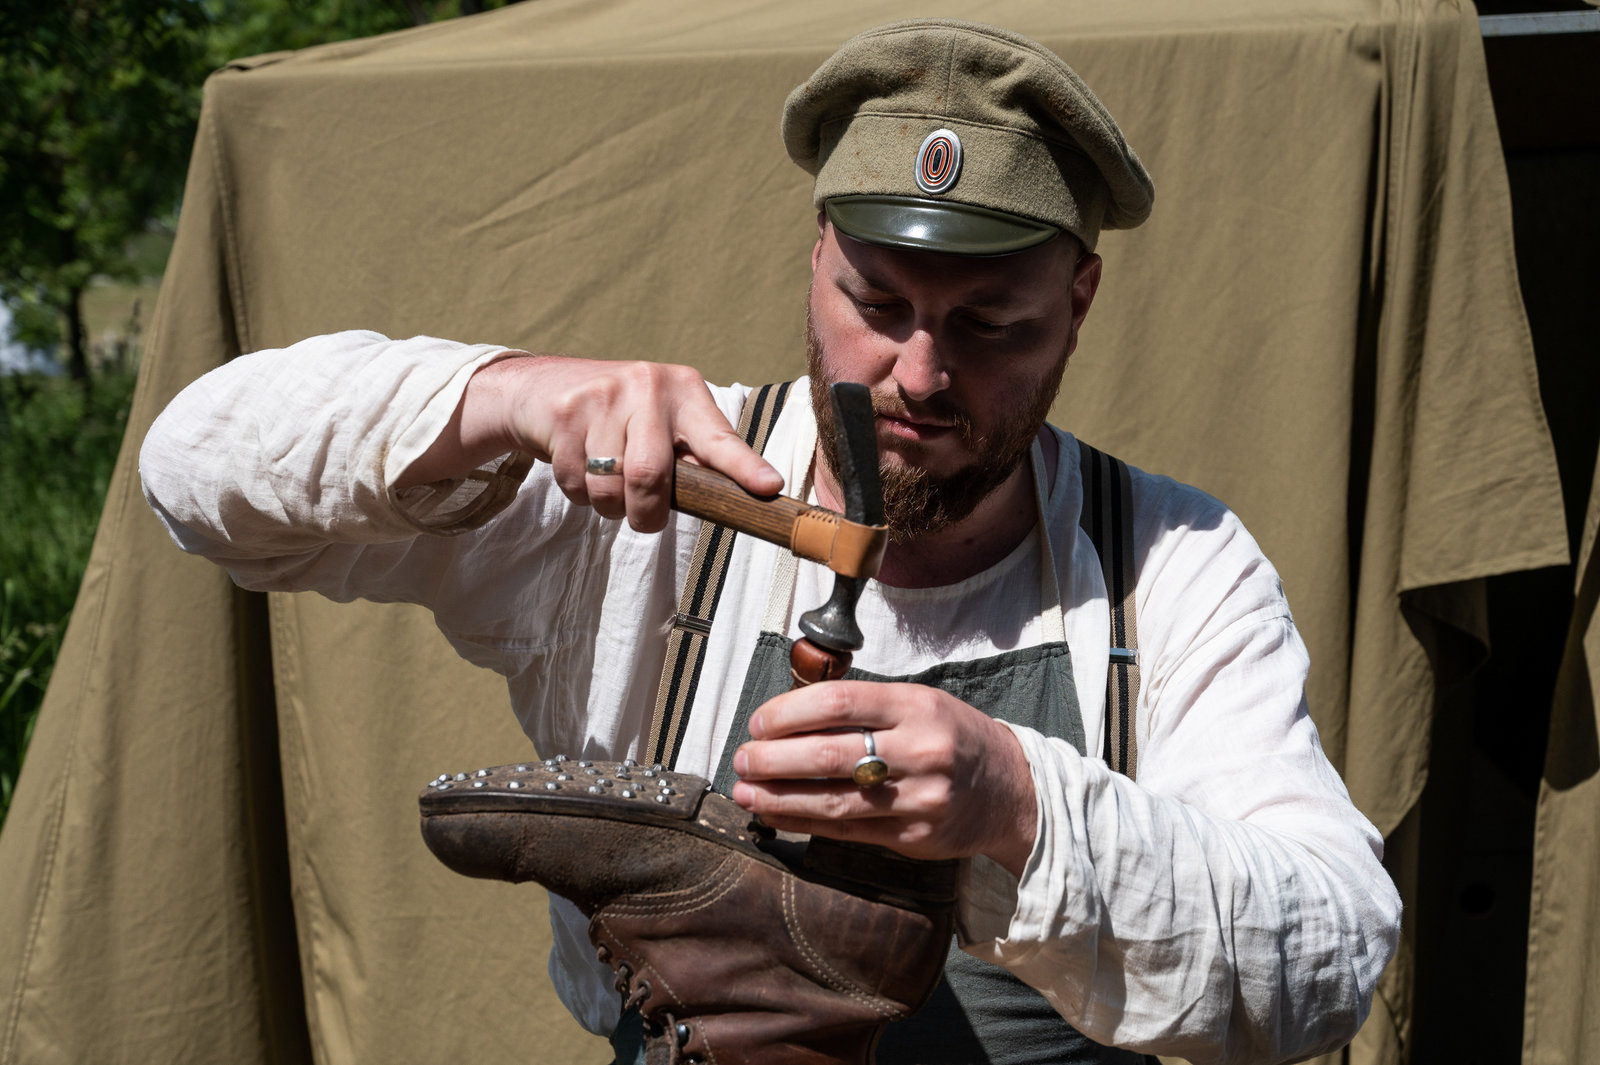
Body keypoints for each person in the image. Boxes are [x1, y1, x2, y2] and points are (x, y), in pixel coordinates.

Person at [139, 17, 1400, 1065]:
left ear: (1077, 303)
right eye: (876, 305)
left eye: (990, 324)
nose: (920, 374)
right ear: (813, 265)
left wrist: (1013, 801)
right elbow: (191, 470)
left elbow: (1331, 953)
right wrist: (499, 396)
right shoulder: (641, 501)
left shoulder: (1170, 562)